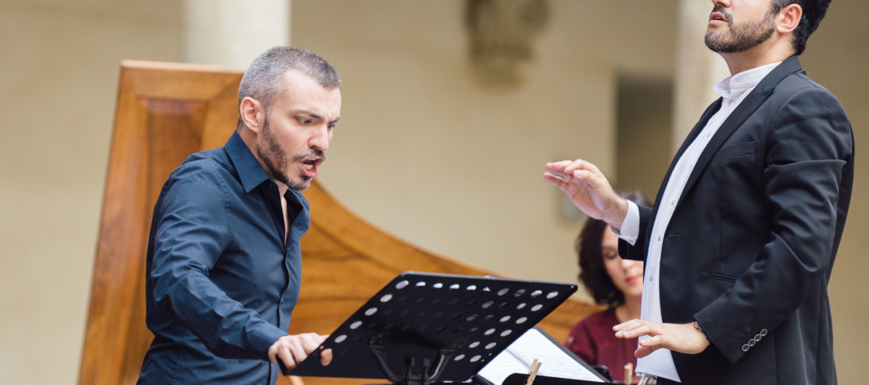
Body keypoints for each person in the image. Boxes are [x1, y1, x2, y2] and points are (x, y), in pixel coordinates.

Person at [544, 1, 853, 384]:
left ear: (787, 18)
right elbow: (710, 234)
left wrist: (706, 329)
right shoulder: (723, 108)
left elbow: (802, 249)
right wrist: (618, 212)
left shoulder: (805, 106)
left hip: (749, 371)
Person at [137, 46, 342, 385]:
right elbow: (176, 277)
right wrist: (270, 339)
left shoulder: (289, 203)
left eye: (330, 125)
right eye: (305, 121)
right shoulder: (203, 182)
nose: (322, 141)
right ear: (252, 114)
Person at [565, 191, 651, 384]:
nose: (626, 264)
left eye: (632, 248)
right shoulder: (589, 334)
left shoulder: (692, 327)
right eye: (611, 255)